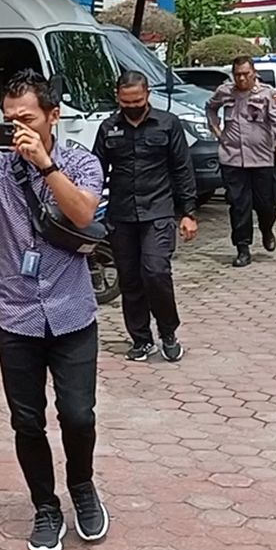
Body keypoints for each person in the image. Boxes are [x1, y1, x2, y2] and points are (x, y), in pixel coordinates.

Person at [0, 69, 109, 550]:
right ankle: (45, 506)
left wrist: (45, 166)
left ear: (53, 116)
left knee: (77, 415)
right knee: (27, 420)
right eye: (9, 119)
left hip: (72, 312)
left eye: (27, 119)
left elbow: (83, 213)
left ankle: (82, 487)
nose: (17, 129)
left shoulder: (80, 161)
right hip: (16, 315)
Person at [93, 71, 198, 364]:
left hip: (158, 212)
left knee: (155, 271)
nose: (132, 107)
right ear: (118, 98)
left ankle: (168, 332)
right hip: (121, 215)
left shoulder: (168, 124)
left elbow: (182, 169)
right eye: (126, 102)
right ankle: (141, 339)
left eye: (137, 101)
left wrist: (188, 213)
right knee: (129, 279)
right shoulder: (109, 128)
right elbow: (95, 170)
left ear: (147, 94)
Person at [206, 56, 276, 267]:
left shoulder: (268, 94)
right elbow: (210, 107)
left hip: (262, 158)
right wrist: (216, 129)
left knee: (266, 205)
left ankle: (266, 229)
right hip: (232, 158)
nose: (242, 78)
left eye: (246, 74)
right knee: (238, 205)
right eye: (238, 75)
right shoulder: (225, 92)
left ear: (254, 73)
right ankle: (242, 248)